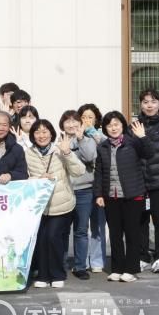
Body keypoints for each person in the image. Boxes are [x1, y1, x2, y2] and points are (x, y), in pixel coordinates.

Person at [26, 119, 85, 289]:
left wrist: (67, 153)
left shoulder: (60, 149)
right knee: (41, 239)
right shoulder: (28, 153)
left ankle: (58, 274)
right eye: (37, 132)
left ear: (51, 133)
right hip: (39, 206)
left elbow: (79, 171)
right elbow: (25, 176)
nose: (41, 135)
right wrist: (38, 179)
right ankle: (43, 275)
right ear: (33, 135)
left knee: (53, 237)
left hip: (61, 203)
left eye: (45, 131)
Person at [94, 112, 150, 283]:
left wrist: (143, 138)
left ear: (122, 125)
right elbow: (99, 172)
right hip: (111, 196)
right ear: (105, 128)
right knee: (115, 233)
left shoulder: (133, 142)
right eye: (109, 125)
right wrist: (98, 194)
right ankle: (117, 268)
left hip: (132, 195)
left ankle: (131, 269)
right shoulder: (102, 147)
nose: (113, 128)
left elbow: (148, 154)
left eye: (116, 124)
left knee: (132, 233)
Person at [60, 110, 98, 280]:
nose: (71, 124)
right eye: (67, 121)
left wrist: (81, 139)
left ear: (81, 124)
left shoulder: (87, 140)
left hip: (84, 190)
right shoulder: (57, 140)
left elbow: (90, 157)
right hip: (64, 191)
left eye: (75, 121)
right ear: (62, 124)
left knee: (81, 230)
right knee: (62, 230)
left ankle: (80, 266)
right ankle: (60, 265)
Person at [136, 88, 159, 274]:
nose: (149, 105)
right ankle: (142, 256)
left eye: (153, 102)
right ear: (141, 105)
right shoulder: (135, 125)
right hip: (140, 183)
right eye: (146, 102)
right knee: (141, 221)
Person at [78, 102, 107, 272]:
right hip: (82, 185)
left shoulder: (101, 135)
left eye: (90, 117)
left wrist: (93, 134)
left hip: (99, 185)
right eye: (83, 117)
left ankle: (97, 261)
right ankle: (83, 260)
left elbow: (105, 148)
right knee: (81, 227)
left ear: (96, 120)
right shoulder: (76, 136)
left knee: (98, 225)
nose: (86, 120)